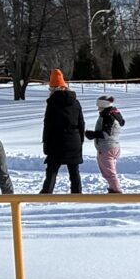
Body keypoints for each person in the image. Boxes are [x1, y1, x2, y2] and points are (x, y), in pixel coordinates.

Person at [41, 66, 86, 195]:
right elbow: (81, 123)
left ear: (53, 88)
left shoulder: (52, 103)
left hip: (57, 140)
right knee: (74, 170)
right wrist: (80, 140)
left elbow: (48, 125)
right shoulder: (75, 102)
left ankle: (46, 193)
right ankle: (77, 194)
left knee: (52, 169)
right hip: (74, 139)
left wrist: (46, 143)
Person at [89, 91, 125, 194]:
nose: (98, 109)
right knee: (110, 172)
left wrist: (92, 134)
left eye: (99, 106)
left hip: (106, 148)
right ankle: (113, 189)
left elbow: (106, 133)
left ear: (103, 105)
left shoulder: (107, 116)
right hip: (115, 146)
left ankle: (117, 192)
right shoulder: (115, 113)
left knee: (109, 173)